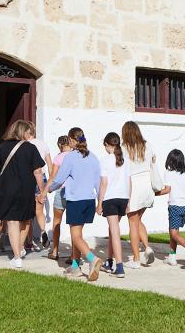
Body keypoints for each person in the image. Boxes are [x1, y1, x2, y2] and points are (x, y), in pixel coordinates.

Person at [0, 119, 45, 270]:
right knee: (26, 219)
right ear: (23, 132)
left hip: (9, 188)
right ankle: (19, 248)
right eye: (28, 131)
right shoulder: (31, 148)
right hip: (27, 188)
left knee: (12, 221)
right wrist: (42, 190)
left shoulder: (2, 147)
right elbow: (38, 172)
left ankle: (17, 256)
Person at [48, 127, 103, 281]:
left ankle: (92, 259)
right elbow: (98, 182)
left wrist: (50, 189)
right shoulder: (93, 157)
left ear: (71, 140)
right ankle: (75, 266)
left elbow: (59, 179)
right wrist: (100, 202)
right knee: (78, 234)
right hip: (89, 201)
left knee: (76, 236)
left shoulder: (70, 157)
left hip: (76, 200)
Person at [122, 120, 157, 268]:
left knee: (132, 222)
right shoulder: (147, 145)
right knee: (138, 220)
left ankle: (136, 259)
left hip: (133, 184)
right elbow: (154, 160)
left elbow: (122, 167)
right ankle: (147, 248)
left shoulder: (124, 148)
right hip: (147, 183)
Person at [157, 149, 185, 267]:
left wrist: (155, 193)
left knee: (174, 234)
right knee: (174, 231)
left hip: (175, 206)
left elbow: (167, 189)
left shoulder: (168, 172)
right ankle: (172, 257)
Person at [97, 132, 130, 278]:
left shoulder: (105, 161)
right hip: (123, 198)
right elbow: (129, 181)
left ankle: (120, 267)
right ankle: (109, 261)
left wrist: (99, 203)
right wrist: (128, 201)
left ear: (107, 145)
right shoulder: (125, 160)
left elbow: (103, 183)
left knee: (115, 232)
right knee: (112, 231)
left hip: (110, 199)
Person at [44, 135, 72, 261]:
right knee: (74, 225)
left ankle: (55, 251)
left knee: (57, 221)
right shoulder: (75, 156)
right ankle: (73, 255)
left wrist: (45, 191)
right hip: (73, 192)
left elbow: (53, 176)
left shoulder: (59, 157)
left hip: (61, 191)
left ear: (60, 145)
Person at [25, 124, 52, 252]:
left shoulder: (25, 145)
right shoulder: (43, 143)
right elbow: (50, 165)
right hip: (43, 178)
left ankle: (29, 242)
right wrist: (50, 184)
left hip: (29, 179)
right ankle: (43, 231)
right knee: (39, 211)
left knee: (28, 213)